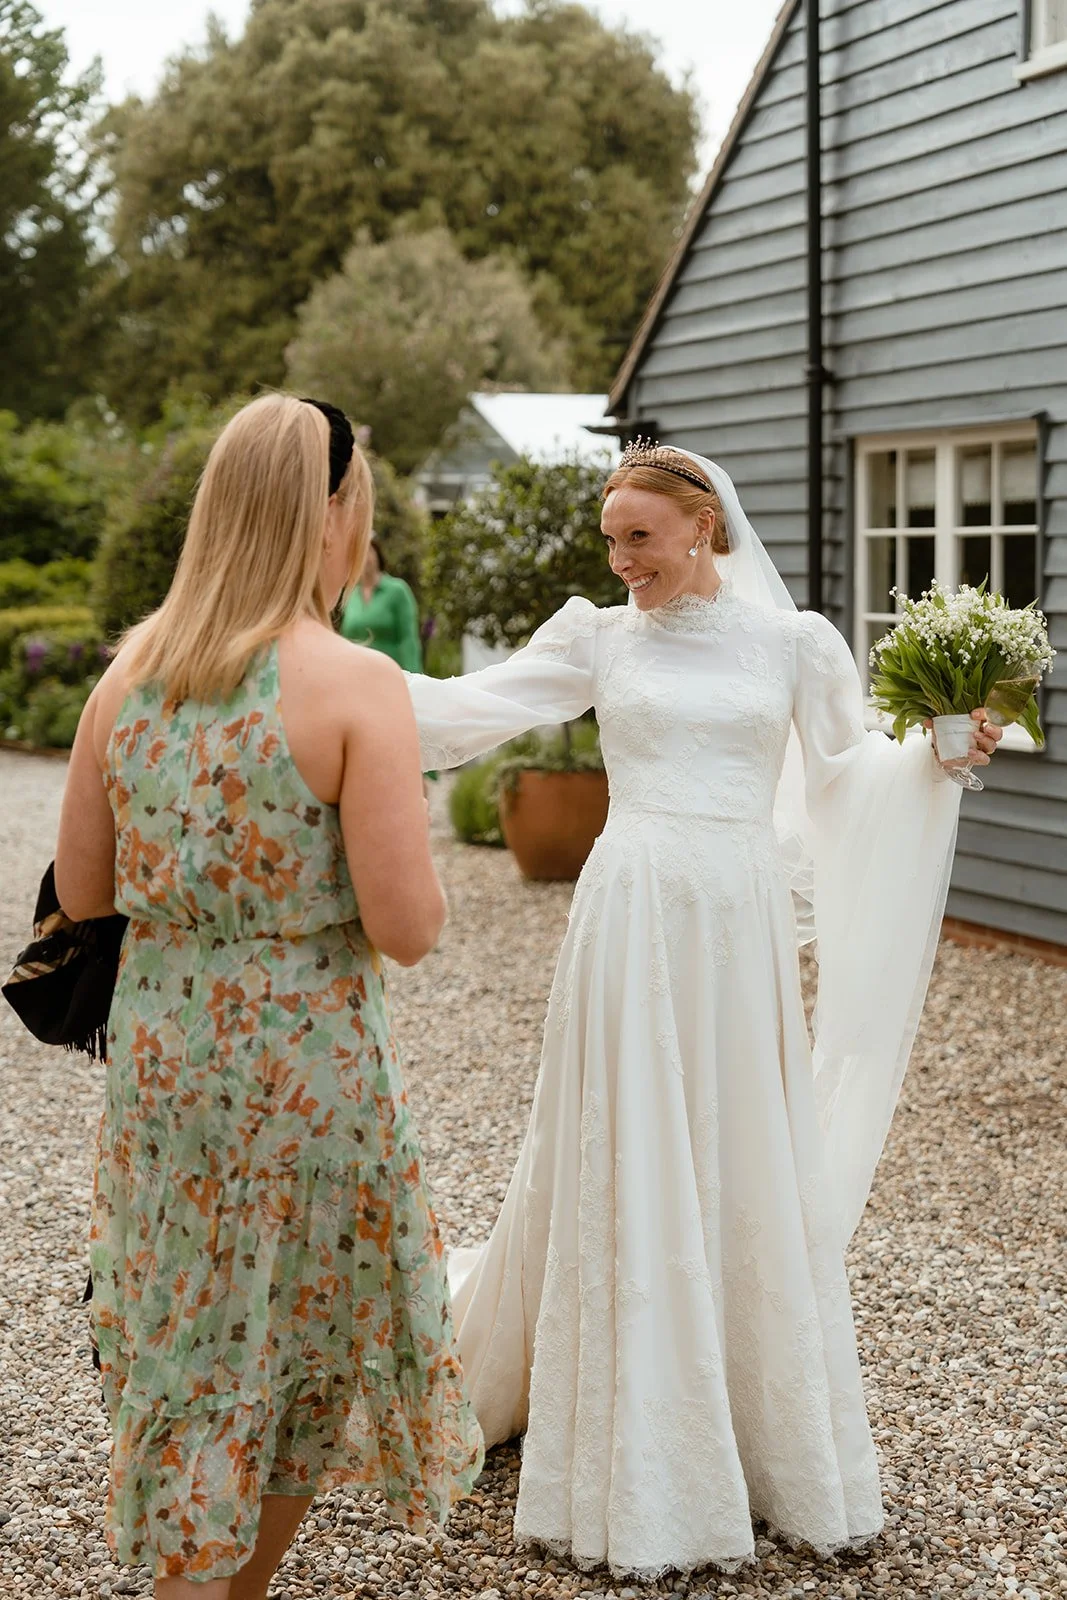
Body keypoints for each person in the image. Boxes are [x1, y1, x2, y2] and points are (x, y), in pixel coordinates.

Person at [402, 443, 1001, 1580]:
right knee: (625, 1149)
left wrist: (934, 752)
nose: (622, 560)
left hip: (736, 928)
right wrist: (328, 688)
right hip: (627, 918)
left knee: (733, 1152)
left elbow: (843, 778)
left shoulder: (791, 643)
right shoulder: (596, 637)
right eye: (610, 540)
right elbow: (470, 708)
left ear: (701, 529)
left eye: (640, 537)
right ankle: (624, 1434)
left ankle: (750, 1426)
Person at [53, 394, 483, 1600]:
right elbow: (405, 929)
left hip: (168, 1068)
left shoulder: (126, 677)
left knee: (198, 1349)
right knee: (301, 1351)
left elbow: (84, 894)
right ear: (330, 512)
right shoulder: (355, 685)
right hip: (306, 1074)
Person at [340, 535, 423, 671]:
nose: (365, 557)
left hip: (390, 673)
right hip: (356, 674)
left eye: (369, 551)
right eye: (360, 552)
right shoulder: (351, 595)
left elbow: (408, 639)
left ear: (378, 555)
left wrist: (414, 678)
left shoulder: (397, 590)